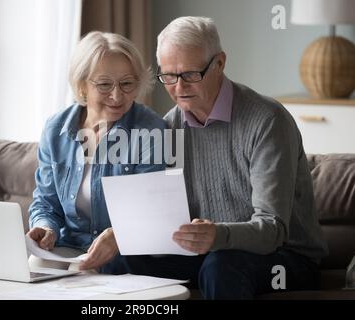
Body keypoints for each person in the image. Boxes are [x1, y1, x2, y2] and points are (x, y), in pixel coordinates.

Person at [124, 16, 328, 299]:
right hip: (207, 254)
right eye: (169, 76)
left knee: (222, 266)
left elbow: (273, 230)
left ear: (219, 63)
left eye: (191, 74)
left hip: (286, 259)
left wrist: (219, 235)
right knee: (121, 259)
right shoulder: (168, 126)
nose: (179, 88)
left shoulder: (267, 121)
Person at [27, 31, 166, 273]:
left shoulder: (149, 129)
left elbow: (151, 207)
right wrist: (45, 227)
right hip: (68, 245)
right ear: (82, 86)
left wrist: (117, 234)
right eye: (104, 85)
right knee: (35, 267)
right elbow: (46, 202)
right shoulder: (56, 129)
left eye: (127, 84)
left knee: (82, 276)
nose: (117, 96)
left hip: (120, 251)